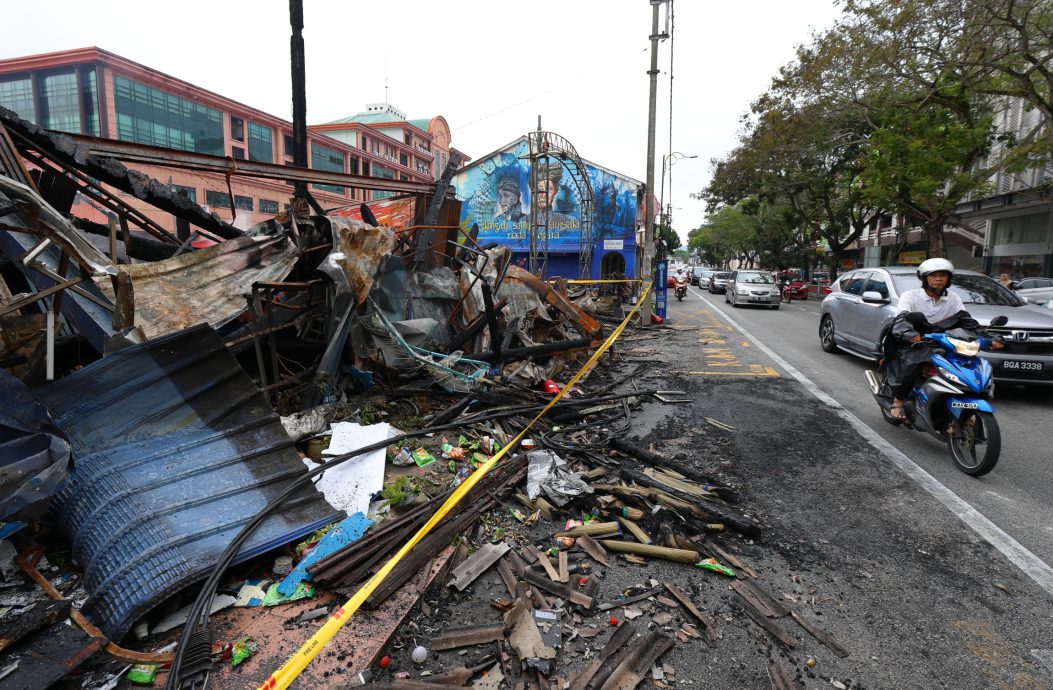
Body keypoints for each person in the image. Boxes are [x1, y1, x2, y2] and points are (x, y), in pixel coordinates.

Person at [885, 258, 1003, 418]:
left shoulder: (953, 298)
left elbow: (967, 321)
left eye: (943, 275)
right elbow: (901, 320)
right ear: (924, 278)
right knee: (912, 365)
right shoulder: (910, 296)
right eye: (933, 275)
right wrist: (911, 335)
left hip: (943, 341)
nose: (938, 279)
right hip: (915, 341)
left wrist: (990, 338)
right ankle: (898, 401)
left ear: (948, 279)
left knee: (967, 363)